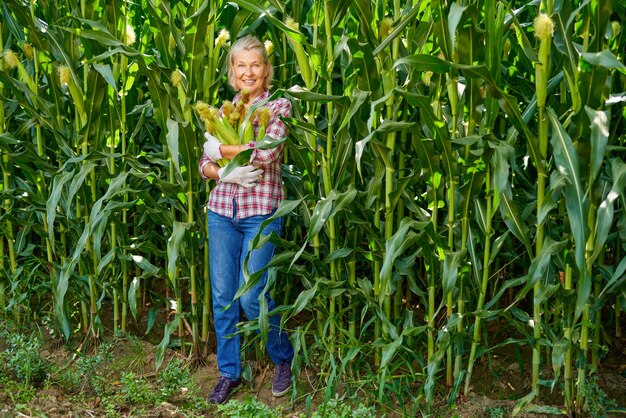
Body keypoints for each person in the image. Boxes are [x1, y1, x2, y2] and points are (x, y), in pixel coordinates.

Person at [198, 35, 294, 405]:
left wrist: (220, 151)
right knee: (224, 297)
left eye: (256, 65)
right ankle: (229, 373)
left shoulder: (279, 105)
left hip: (260, 213)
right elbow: (202, 165)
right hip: (222, 210)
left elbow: (267, 153)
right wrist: (220, 173)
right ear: (232, 72)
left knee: (253, 295)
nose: (248, 72)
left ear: (266, 71)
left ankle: (282, 358)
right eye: (242, 65)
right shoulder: (224, 112)